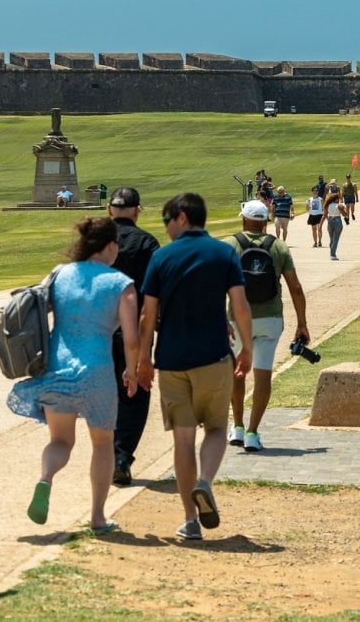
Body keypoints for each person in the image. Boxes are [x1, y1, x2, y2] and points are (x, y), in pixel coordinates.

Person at [9, 217, 140, 535]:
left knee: (61, 441)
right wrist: (132, 371)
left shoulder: (59, 274)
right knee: (103, 443)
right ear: (110, 246)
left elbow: (34, 309)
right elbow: (132, 339)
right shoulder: (120, 283)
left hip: (57, 369)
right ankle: (97, 517)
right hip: (97, 371)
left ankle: (45, 479)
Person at [137, 193, 252, 540]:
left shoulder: (161, 257)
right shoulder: (224, 253)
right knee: (217, 428)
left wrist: (144, 357)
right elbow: (240, 306)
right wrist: (246, 347)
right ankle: (205, 483)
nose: (166, 228)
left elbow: (148, 315)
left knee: (183, 441)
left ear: (182, 217)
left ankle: (190, 520)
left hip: (172, 361)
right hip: (214, 357)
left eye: (167, 221)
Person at [225, 200, 310, 452]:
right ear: (266, 222)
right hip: (270, 317)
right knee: (263, 374)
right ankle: (253, 432)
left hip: (237, 318)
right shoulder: (279, 247)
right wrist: (302, 323)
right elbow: (295, 287)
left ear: (243, 220)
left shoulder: (230, 245)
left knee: (237, 372)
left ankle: (238, 427)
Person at [107, 186, 160, 486]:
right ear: (138, 210)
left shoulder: (95, 241)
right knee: (135, 393)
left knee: (103, 394)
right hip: (137, 328)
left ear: (109, 210)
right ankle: (121, 456)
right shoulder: (147, 243)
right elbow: (155, 292)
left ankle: (105, 456)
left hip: (97, 329)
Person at [324, 191, 348, 260]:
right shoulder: (339, 205)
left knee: (332, 239)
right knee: (335, 239)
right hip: (337, 220)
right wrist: (345, 209)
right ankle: (333, 254)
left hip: (330, 220)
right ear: (336, 199)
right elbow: (345, 214)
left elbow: (325, 214)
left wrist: (328, 220)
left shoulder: (327, 205)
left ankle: (331, 251)